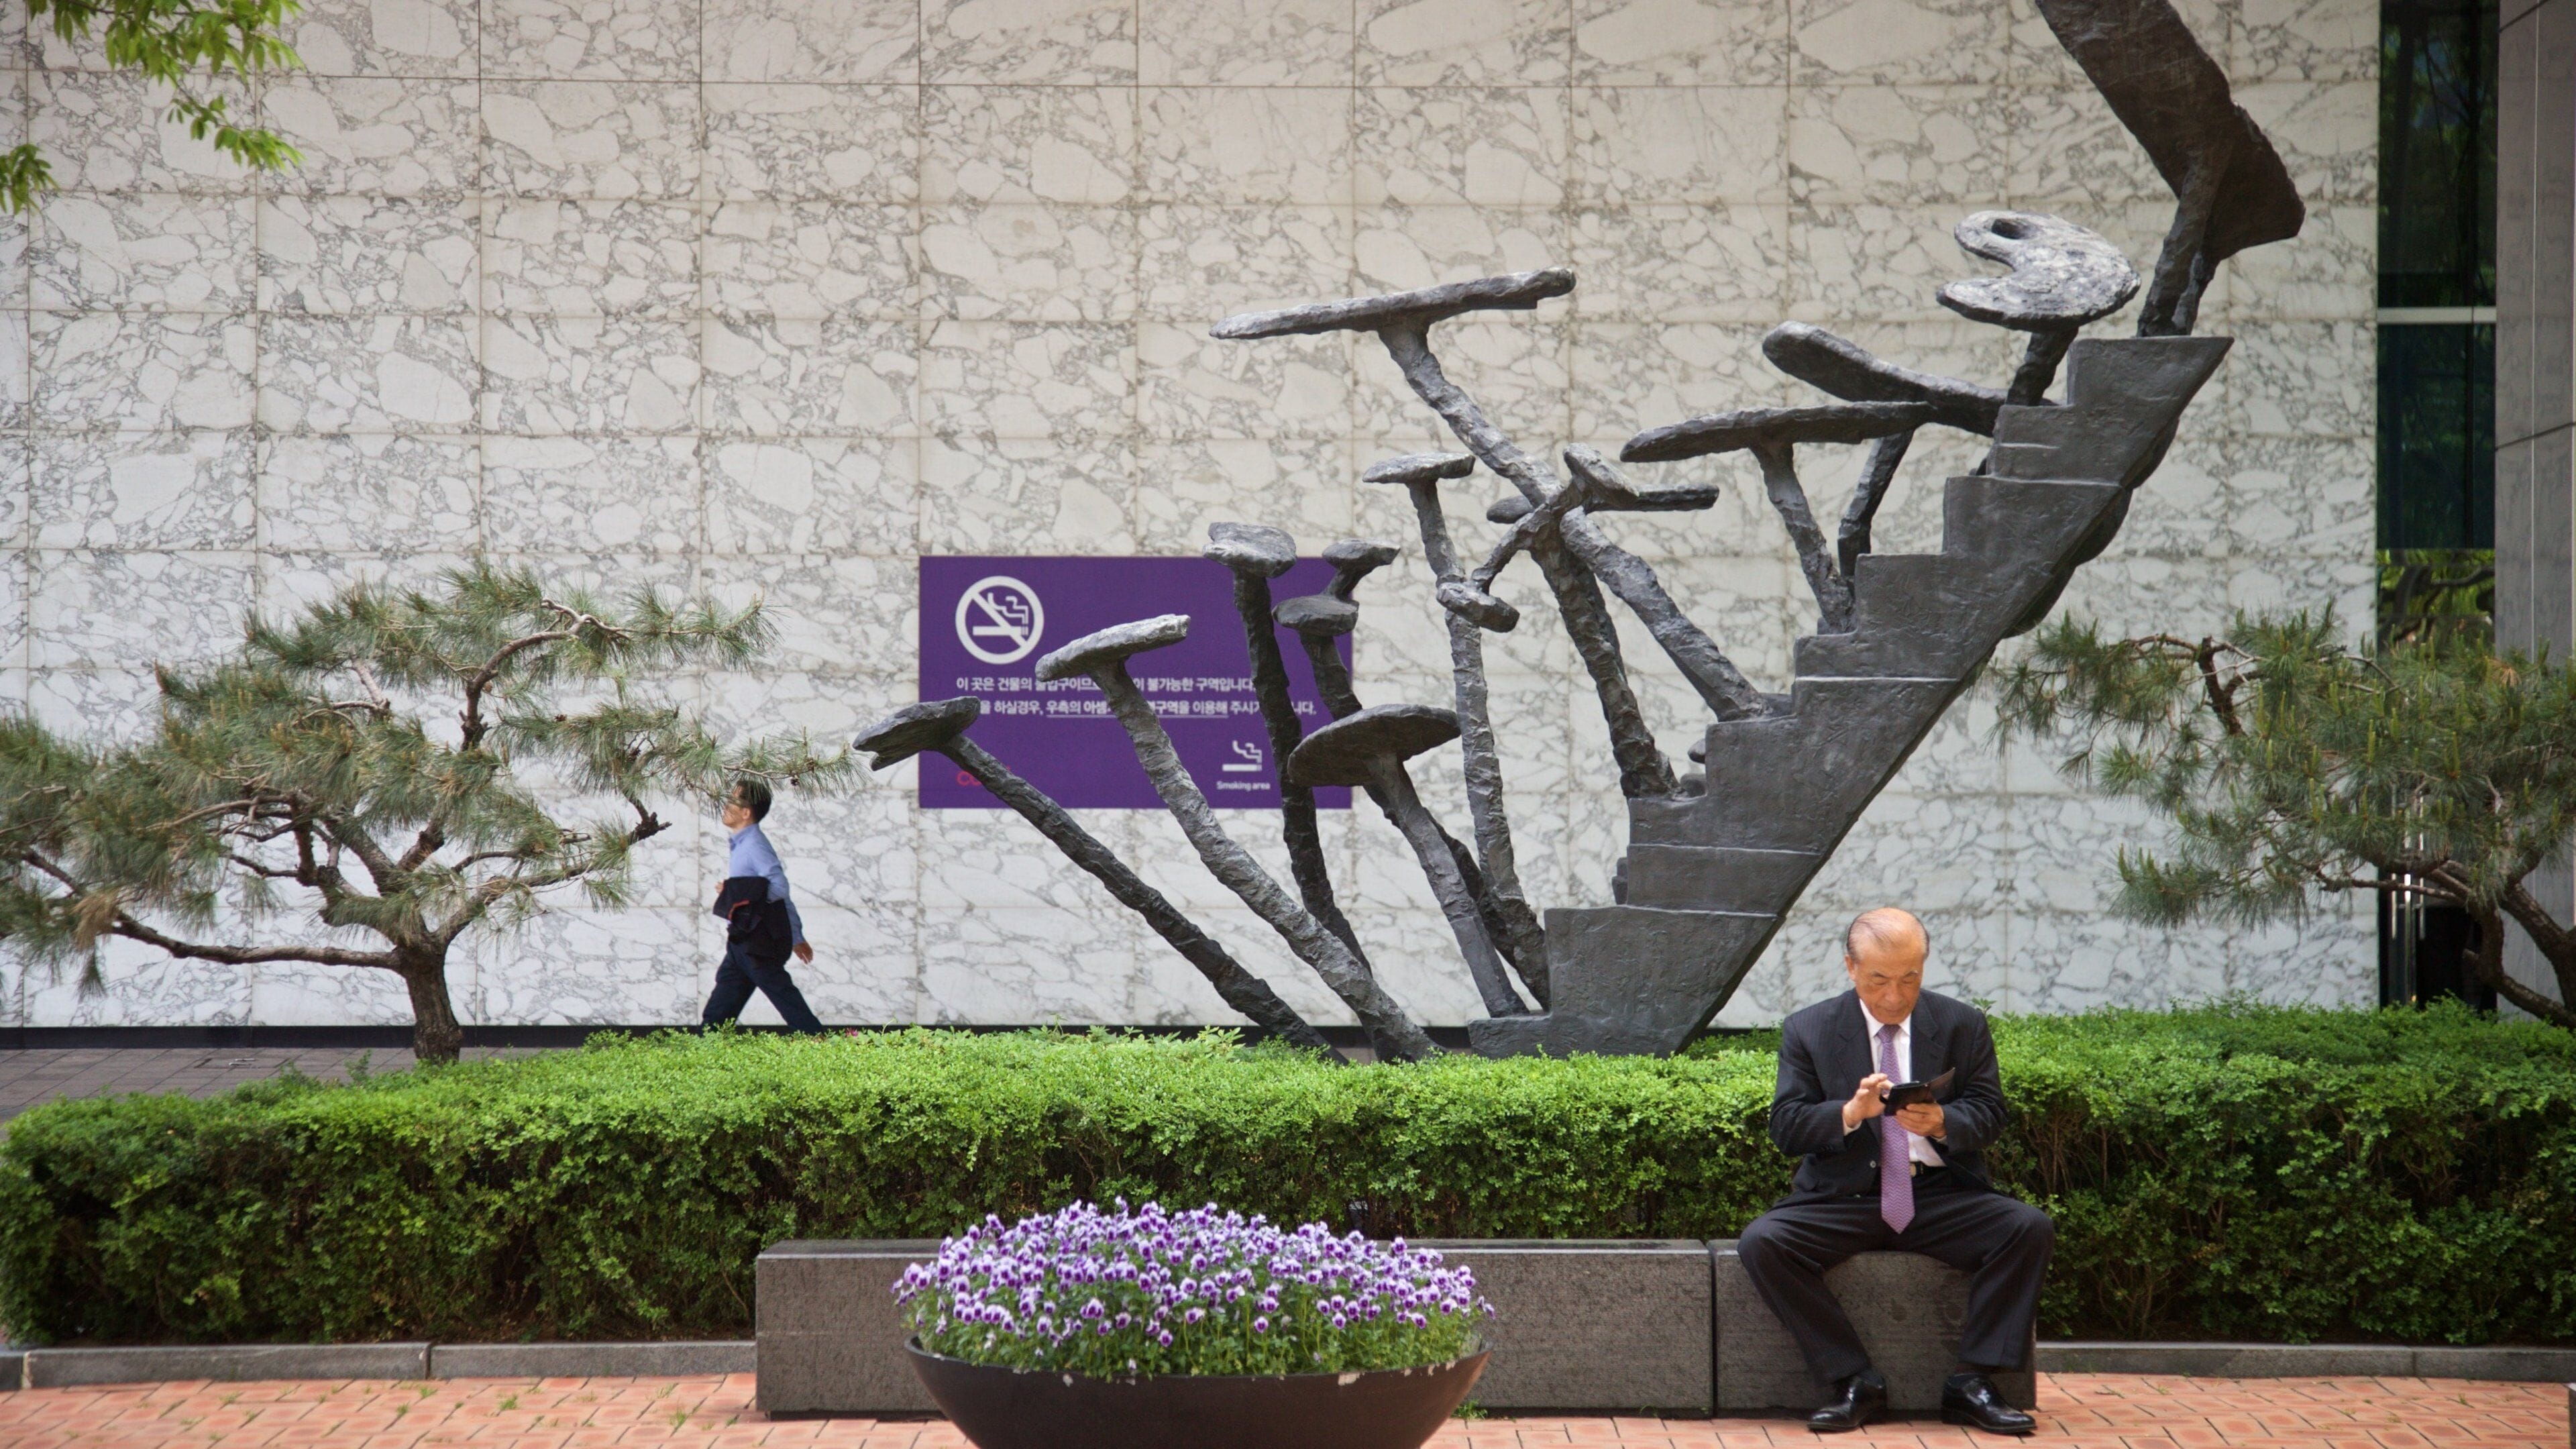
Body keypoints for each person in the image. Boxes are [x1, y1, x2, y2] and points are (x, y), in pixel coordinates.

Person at [1735, 908, 2051, 1436]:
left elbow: (1991, 1112)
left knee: (2028, 1228)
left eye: (1911, 978)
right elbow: (1786, 1127)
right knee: (1763, 1243)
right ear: (1851, 967)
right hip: (1844, 1198)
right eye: (1879, 979)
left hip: (1938, 1196)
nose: (1895, 995)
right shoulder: (1809, 1029)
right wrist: (1850, 1114)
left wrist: (1944, 1122)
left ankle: (1973, 1381)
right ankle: (1854, 1380)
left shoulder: (1960, 1024)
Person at [700, 777, 826, 1033]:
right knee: (720, 1006)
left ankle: (817, 1039)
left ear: (746, 813)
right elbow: (775, 896)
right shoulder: (742, 844)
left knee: (782, 994)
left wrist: (732, 890)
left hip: (757, 943)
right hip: (741, 939)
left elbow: (779, 887)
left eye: (733, 801)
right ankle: (706, 1045)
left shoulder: (755, 845)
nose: (725, 805)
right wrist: (797, 936)